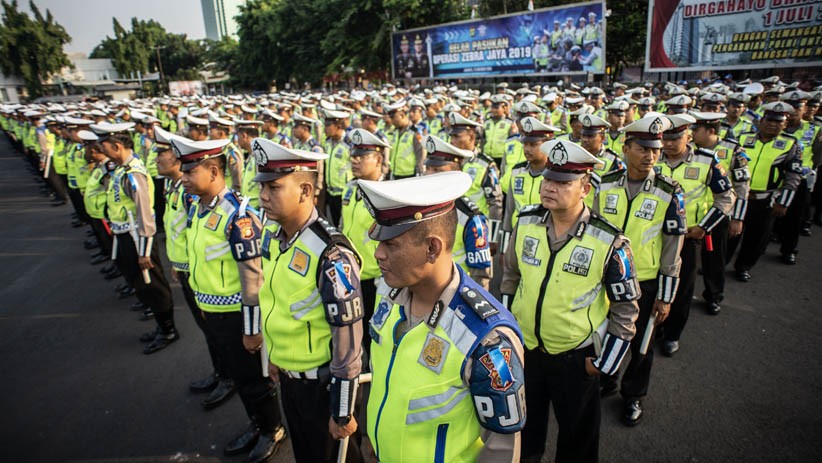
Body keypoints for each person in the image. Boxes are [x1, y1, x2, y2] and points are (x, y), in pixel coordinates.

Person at [359, 171, 525, 462]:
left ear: (432, 248)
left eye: (391, 244)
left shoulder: (485, 337)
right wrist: (373, 439)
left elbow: (501, 448)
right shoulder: (390, 292)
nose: (378, 255)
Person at [501, 139, 640, 463]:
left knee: (577, 439)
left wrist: (603, 364)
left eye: (563, 182)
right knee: (524, 432)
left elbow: (626, 308)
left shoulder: (609, 241)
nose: (550, 187)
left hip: (576, 358)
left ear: (585, 188)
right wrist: (507, 336)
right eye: (548, 178)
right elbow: (510, 278)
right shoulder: (526, 222)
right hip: (527, 352)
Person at [173, 136, 285, 462]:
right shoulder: (197, 207)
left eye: (190, 172)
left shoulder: (238, 215)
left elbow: (253, 278)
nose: (183, 177)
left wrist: (252, 329)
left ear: (212, 170)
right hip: (214, 310)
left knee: (253, 379)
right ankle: (257, 421)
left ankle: (271, 428)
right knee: (239, 375)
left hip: (238, 315)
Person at [253, 138, 364, 463]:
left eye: (274, 187)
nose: (262, 197)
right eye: (262, 187)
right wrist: (274, 356)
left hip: (322, 388)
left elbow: (348, 341)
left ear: (305, 191)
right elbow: (278, 303)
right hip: (290, 380)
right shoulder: (274, 237)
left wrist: (342, 410)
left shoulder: (331, 254)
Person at [594, 115, 686, 425]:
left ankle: (633, 396)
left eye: (655, 150)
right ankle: (606, 378)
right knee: (603, 333)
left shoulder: (668, 191)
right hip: (603, 280)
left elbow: (674, 248)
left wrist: (666, 295)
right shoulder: (604, 185)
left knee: (642, 344)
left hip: (644, 283)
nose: (650, 156)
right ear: (626, 148)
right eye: (643, 149)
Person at [93, 122, 178, 354]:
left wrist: (144, 250)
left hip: (137, 237)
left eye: (104, 145)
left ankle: (168, 329)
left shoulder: (134, 174)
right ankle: (161, 326)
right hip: (125, 234)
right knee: (141, 283)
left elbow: (145, 214)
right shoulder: (120, 169)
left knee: (153, 284)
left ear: (117, 146)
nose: (101, 149)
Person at [656, 114, 734, 355]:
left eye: (675, 138)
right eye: (665, 139)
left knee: (681, 289)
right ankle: (653, 327)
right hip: (653, 237)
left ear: (687, 136)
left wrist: (704, 226)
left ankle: (672, 334)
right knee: (652, 286)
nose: (668, 144)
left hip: (686, 238)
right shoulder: (652, 159)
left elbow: (726, 197)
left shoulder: (706, 161)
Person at [733, 102, 803, 280]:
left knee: (756, 236)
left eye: (778, 122)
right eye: (769, 120)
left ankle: (743, 266)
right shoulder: (743, 138)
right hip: (739, 196)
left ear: (785, 124)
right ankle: (722, 261)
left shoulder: (790, 144)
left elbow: (792, 177)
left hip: (765, 198)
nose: (773, 125)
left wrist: (783, 202)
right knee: (730, 234)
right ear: (761, 121)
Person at [690, 111, 750, 314]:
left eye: (696, 130)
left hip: (717, 216)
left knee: (714, 259)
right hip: (692, 217)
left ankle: (713, 296)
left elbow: (741, 187)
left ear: (711, 131)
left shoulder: (733, 150)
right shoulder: (691, 151)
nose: (692, 134)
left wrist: (738, 218)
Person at [423, 135, 494, 289]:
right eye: (427, 168)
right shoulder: (418, 208)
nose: (428, 175)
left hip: (455, 296)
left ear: (456, 173)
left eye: (437, 170)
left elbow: (480, 275)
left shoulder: (471, 218)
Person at [341, 128, 390, 334]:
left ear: (378, 160)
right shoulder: (350, 188)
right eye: (353, 155)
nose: (355, 161)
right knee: (352, 334)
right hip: (350, 275)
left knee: (374, 336)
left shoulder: (387, 196)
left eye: (362, 156)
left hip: (376, 280)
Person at [448, 112, 503, 247]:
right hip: (453, 226)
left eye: (457, 136)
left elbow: (495, 203)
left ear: (471, 136)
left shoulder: (485, 164)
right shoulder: (448, 161)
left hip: (477, 229)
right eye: (451, 136)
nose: (452, 141)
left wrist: (493, 237)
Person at [501, 116, 554, 252]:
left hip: (545, 241)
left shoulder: (555, 176)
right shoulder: (517, 171)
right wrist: (504, 247)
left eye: (533, 145)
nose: (527, 149)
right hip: (517, 235)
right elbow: (509, 210)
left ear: (547, 145)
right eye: (525, 144)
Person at [321, 107, 352, 225]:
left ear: (338, 126)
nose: (325, 129)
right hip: (330, 192)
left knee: (345, 224)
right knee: (334, 222)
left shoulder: (349, 143)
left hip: (344, 192)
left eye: (328, 126)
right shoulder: (328, 143)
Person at [384, 101, 425, 179]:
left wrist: (419, 172)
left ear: (402, 115)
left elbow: (421, 152)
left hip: (410, 175)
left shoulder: (415, 132)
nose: (391, 121)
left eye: (393, 117)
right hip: (395, 173)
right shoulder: (395, 132)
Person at [482, 95, 516, 166]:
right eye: (492, 107)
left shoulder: (509, 123)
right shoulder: (487, 122)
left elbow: (513, 142)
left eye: (497, 108)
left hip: (502, 157)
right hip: (487, 156)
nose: (494, 110)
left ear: (504, 108)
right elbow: (483, 140)